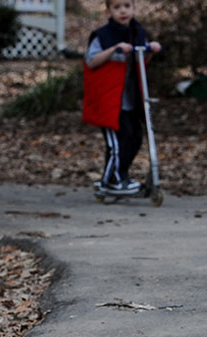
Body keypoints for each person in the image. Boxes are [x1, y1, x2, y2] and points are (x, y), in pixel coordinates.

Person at [82, 0, 161, 195]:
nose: (123, 11)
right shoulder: (102, 36)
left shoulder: (137, 33)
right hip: (109, 101)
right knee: (116, 143)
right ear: (108, 11)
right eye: (117, 7)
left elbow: (140, 62)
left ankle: (120, 176)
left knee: (134, 138)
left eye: (127, 6)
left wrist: (150, 49)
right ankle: (110, 180)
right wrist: (114, 49)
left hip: (130, 99)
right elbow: (91, 61)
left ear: (134, 9)